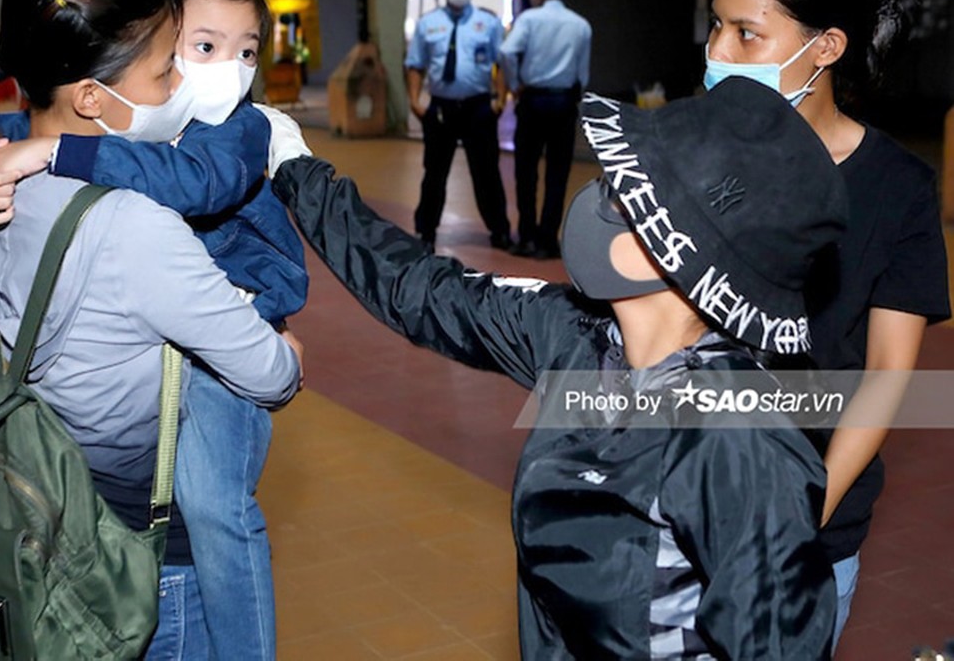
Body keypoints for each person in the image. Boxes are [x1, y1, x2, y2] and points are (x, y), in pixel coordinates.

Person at [267, 76, 845, 658]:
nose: (596, 199)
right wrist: (295, 167)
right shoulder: (582, 339)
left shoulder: (739, 434)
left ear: (676, 247)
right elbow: (421, 289)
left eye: (621, 192)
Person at [0, 0, 306, 661]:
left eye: (244, 51)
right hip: (144, 552)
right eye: (171, 65)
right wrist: (279, 351)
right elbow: (272, 375)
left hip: (59, 511)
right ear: (93, 93)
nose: (188, 84)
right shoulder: (132, 224)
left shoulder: (1, 188)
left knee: (221, 505)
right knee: (217, 515)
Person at [706, 0, 950, 649]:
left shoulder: (898, 189)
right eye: (714, 26)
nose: (717, 52)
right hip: (682, 501)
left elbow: (883, 377)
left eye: (745, 34)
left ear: (826, 47)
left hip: (809, 524)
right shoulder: (693, 155)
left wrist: (797, 518)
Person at [406, 0, 512, 252]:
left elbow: (500, 63)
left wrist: (500, 99)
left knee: (487, 173)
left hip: (479, 108)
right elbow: (415, 65)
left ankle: (499, 230)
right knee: (435, 173)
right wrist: (415, 102)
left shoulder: (487, 22)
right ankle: (426, 231)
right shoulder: (429, 24)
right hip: (441, 109)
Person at [498, 0, 592, 260]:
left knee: (525, 172)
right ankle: (548, 239)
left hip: (533, 101)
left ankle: (526, 236)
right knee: (557, 173)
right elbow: (583, 75)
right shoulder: (581, 25)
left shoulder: (528, 20)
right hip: (564, 103)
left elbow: (507, 51)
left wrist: (515, 84)